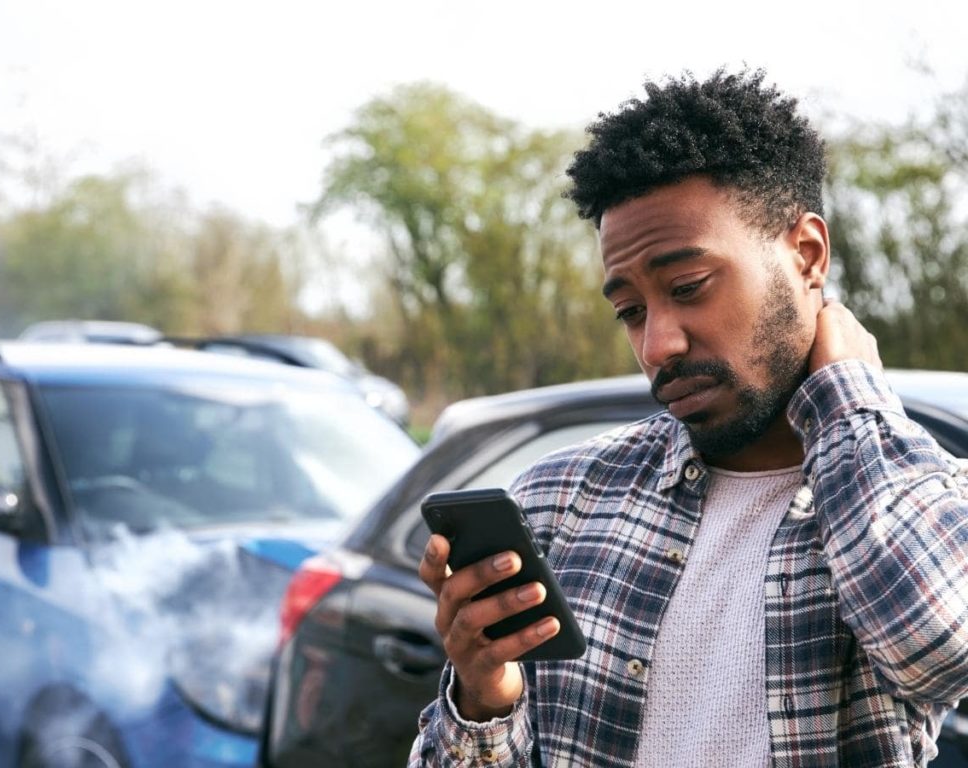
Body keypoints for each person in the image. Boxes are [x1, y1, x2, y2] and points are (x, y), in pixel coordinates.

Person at [408, 69, 968, 767]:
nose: (656, 346)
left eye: (688, 287)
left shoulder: (925, 498)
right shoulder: (559, 502)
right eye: (629, 310)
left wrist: (848, 396)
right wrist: (484, 700)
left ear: (807, 254)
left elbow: (940, 651)